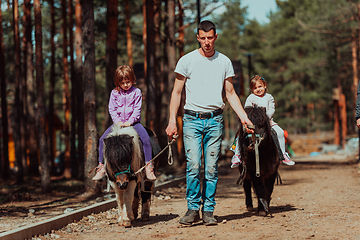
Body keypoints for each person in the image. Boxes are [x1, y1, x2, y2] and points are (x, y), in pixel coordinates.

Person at [165, 20, 253, 226]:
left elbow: (230, 94)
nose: (206, 42)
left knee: (211, 168)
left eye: (210, 38)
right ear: (197, 38)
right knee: (194, 165)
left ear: (215, 37)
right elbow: (176, 93)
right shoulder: (186, 61)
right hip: (191, 120)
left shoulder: (224, 62)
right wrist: (172, 121)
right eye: (202, 38)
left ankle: (209, 211)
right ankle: (193, 209)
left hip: (215, 121)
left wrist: (244, 117)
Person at [92, 65, 156, 181]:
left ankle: (148, 165)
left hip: (134, 123)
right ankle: (101, 166)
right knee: (102, 139)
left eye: (128, 81)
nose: (126, 85)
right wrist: (118, 122)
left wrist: (130, 121)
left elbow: (137, 109)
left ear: (132, 79)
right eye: (122, 83)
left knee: (146, 139)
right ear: (118, 82)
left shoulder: (137, 92)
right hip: (118, 123)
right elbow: (112, 109)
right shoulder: (114, 93)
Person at [230, 75, 295, 168]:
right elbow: (247, 111)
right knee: (241, 133)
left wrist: (265, 118)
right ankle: (237, 155)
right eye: (255, 88)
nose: (258, 89)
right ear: (252, 89)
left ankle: (283, 154)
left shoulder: (269, 97)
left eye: (260, 86)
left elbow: (272, 109)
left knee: (280, 132)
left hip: (268, 122)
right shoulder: (251, 98)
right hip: (252, 123)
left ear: (264, 85)